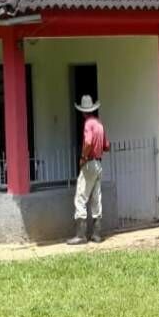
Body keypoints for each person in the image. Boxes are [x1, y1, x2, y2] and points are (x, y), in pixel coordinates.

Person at [67, 95, 109, 244]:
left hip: (89, 163)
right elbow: (107, 146)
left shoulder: (88, 124)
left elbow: (88, 142)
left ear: (83, 112)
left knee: (80, 197)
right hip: (98, 163)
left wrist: (83, 157)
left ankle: (80, 235)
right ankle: (97, 234)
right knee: (97, 199)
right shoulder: (99, 124)